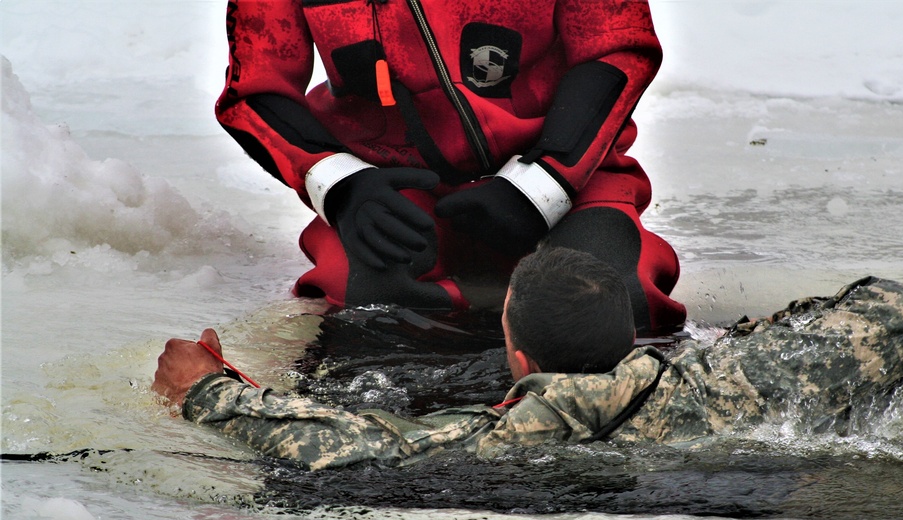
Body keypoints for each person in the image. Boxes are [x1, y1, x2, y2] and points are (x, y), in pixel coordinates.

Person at [153, 248, 903, 471]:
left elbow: (370, 448)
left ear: (518, 354)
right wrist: (749, 339)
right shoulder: (729, 384)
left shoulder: (525, 431)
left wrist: (215, 393)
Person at [215, 0, 686, 333]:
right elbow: (255, 90)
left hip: (567, 170)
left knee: (615, 305)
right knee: (366, 309)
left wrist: (544, 183)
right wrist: (342, 184)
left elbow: (616, 48)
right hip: (395, 182)